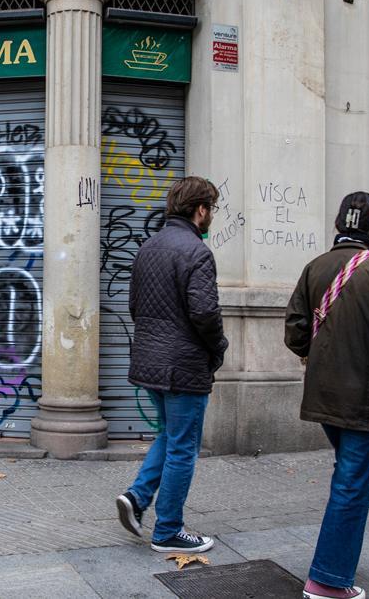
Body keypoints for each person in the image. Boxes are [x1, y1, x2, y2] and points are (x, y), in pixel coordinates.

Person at [284, 192, 369, 599]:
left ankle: (331, 570)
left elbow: (295, 331)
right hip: (364, 396)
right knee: (351, 484)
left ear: (340, 225)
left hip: (323, 395)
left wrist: (319, 353)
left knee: (347, 475)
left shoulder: (314, 268)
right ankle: (327, 580)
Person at [114, 176, 229, 554]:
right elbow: (205, 312)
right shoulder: (197, 252)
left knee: (171, 435)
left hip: (151, 362)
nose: (211, 215)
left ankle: (137, 496)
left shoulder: (148, 247)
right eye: (210, 208)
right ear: (200, 210)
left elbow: (135, 307)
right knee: (184, 447)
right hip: (183, 366)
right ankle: (168, 531)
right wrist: (218, 347)